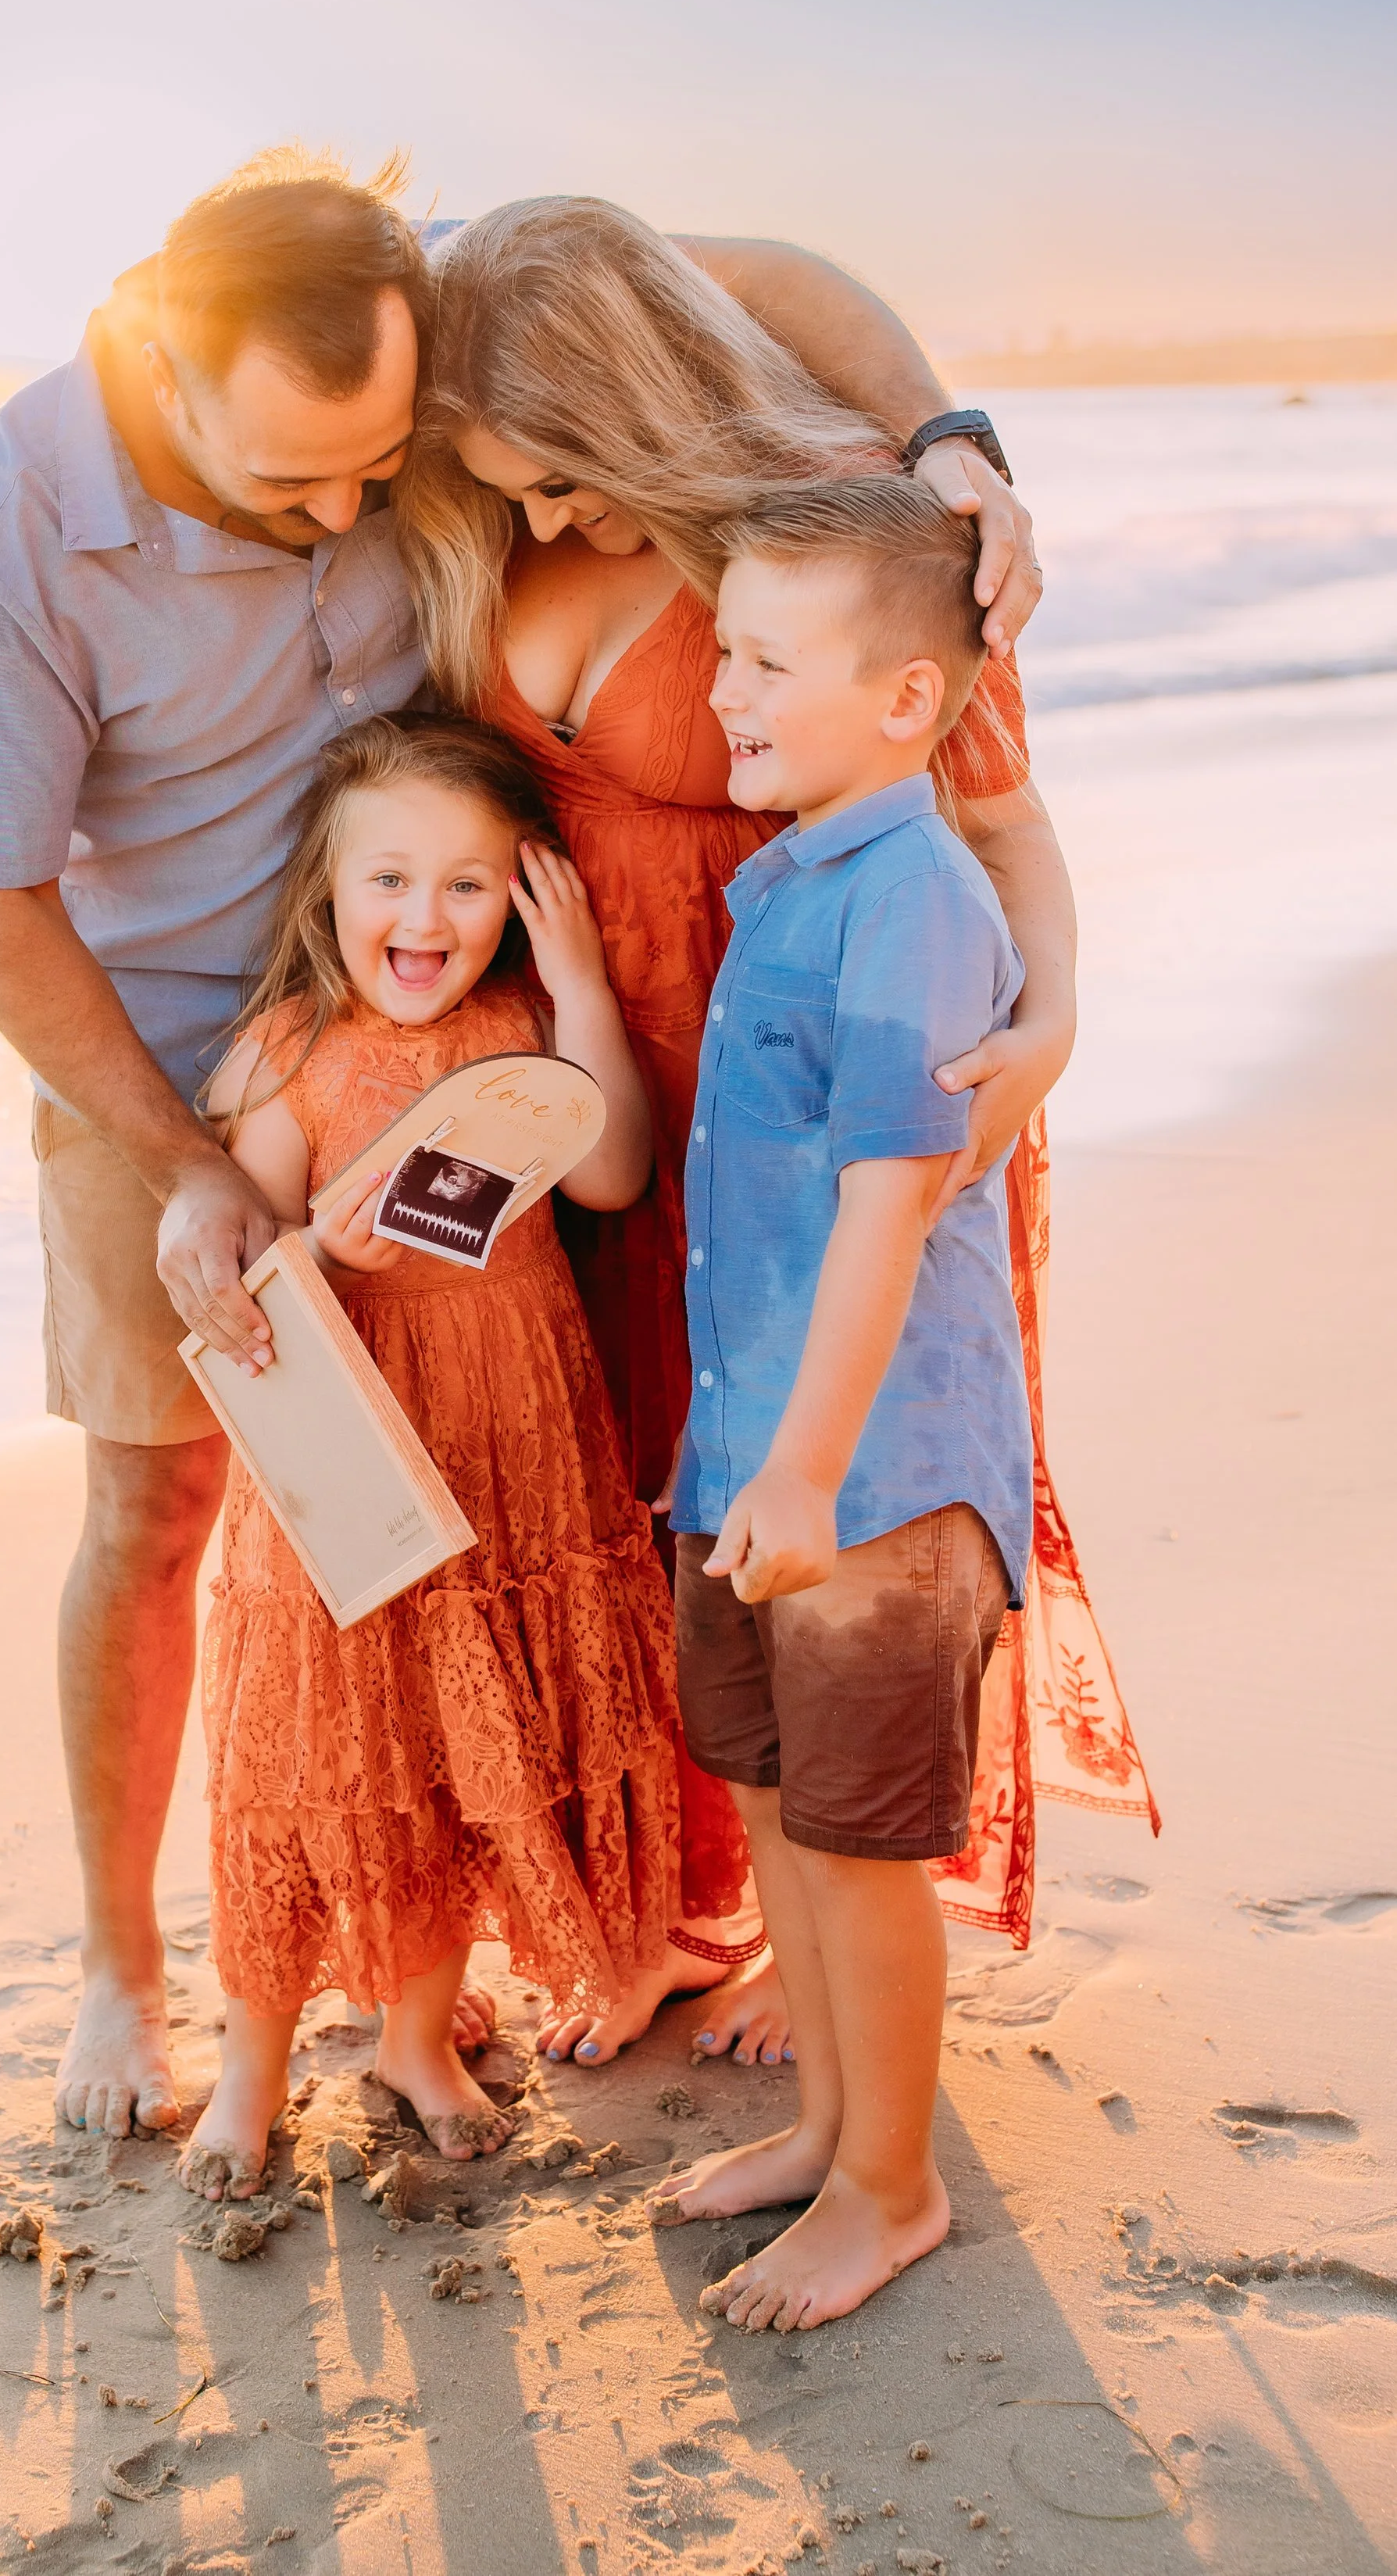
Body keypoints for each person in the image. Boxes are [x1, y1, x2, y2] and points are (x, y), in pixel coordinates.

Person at [0, 145, 1050, 2141]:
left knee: (596, 1478)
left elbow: (749, 268)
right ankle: (131, 1967)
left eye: (377, 472)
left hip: (547, 1039)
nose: (355, 513)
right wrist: (184, 1155)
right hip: (171, 1058)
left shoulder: (400, 315)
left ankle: (615, 1911)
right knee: (171, 1517)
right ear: (167, 359)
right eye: (301, 488)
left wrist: (948, 438)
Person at [395, 198, 1153, 2073]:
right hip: (614, 1118)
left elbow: (998, 825)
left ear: (623, 404)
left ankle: (820, 1938)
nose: (542, 518)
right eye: (504, 483)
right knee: (653, 1500)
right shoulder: (490, 512)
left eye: (559, 474)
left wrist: (1047, 1017)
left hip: (821, 1105)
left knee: (821, 1516)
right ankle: (687, 1900)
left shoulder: (821, 533)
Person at [180, 714, 677, 2198]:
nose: (426, 917)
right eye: (390, 879)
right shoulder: (291, 1053)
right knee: (313, 1757)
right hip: (352, 1444)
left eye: (470, 885)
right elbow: (240, 1274)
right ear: (329, 891)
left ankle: (414, 2036)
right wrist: (309, 1251)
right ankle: (251, 2067)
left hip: (511, 1437)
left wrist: (580, 976)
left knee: (468, 1753)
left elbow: (614, 1170)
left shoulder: (525, 1032)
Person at [648, 478, 1041, 2330]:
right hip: (755, 1449)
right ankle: (823, 2125)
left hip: (866, 1476)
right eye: (721, 642)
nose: (717, 686)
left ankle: (892, 2189)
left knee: (863, 1834)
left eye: (761, 658)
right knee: (774, 1796)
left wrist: (802, 1471)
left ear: (902, 700)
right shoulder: (797, 877)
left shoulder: (910, 903)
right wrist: (746, 1458)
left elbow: (894, 1198)